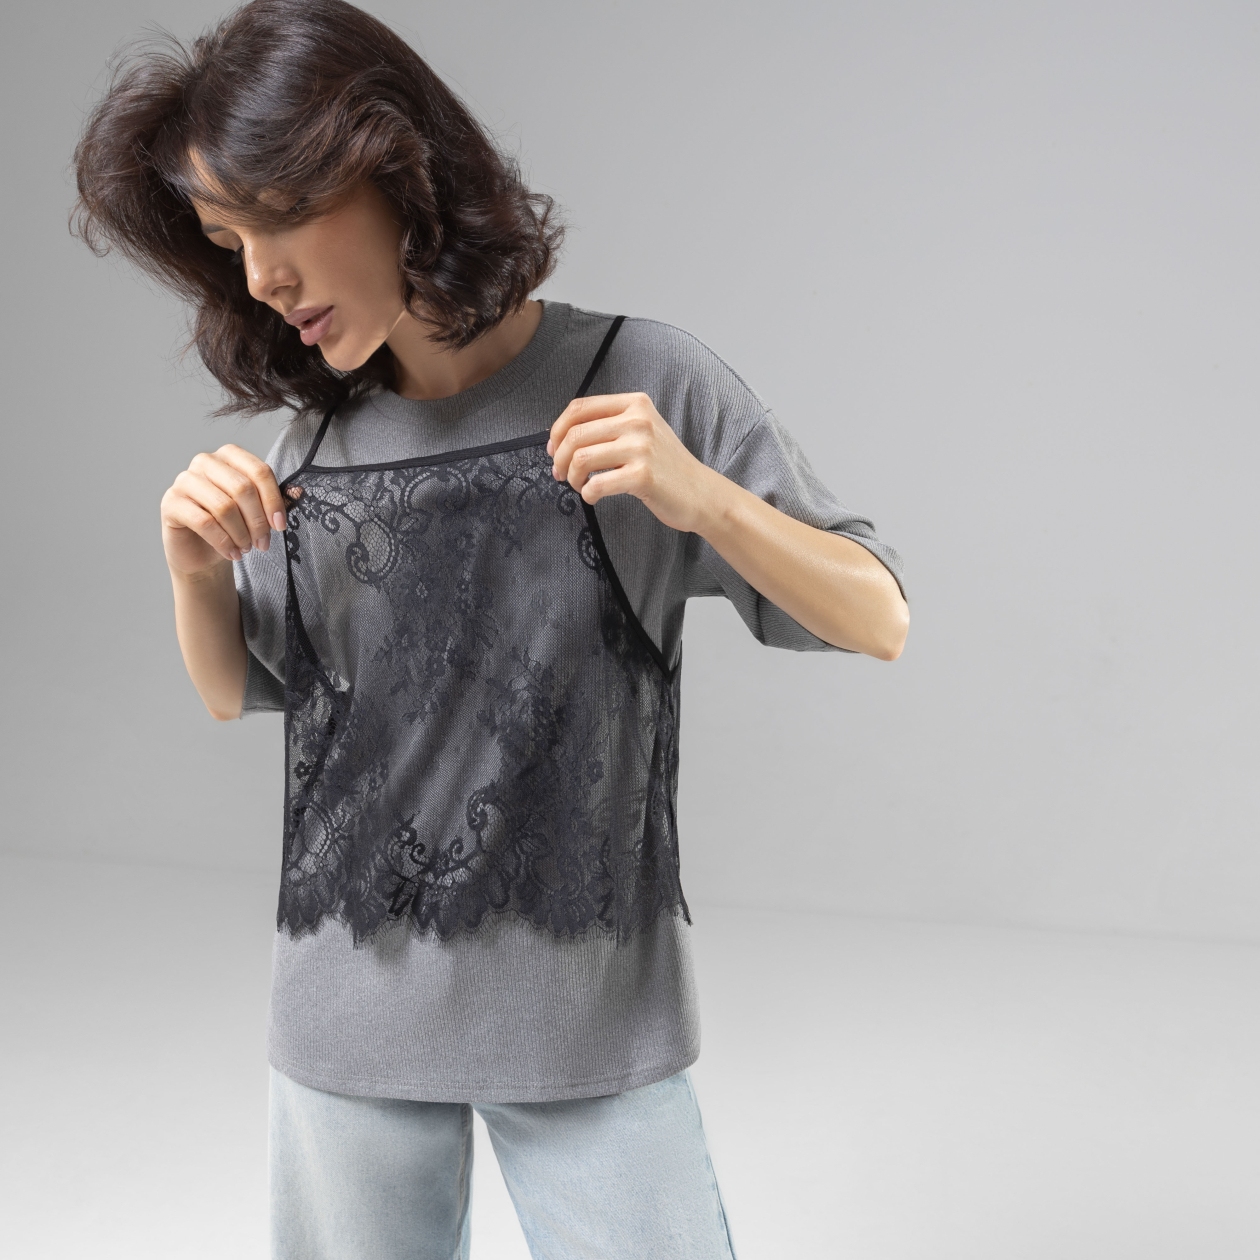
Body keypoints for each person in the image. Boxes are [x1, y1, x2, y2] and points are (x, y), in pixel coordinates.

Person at [72, 2, 909, 1256]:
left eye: (277, 217)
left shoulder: (643, 379)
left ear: (391, 165)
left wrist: (702, 498)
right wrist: (192, 568)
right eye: (228, 242)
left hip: (587, 1021)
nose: (261, 279)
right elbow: (238, 689)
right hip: (344, 1021)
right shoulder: (315, 443)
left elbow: (877, 615)